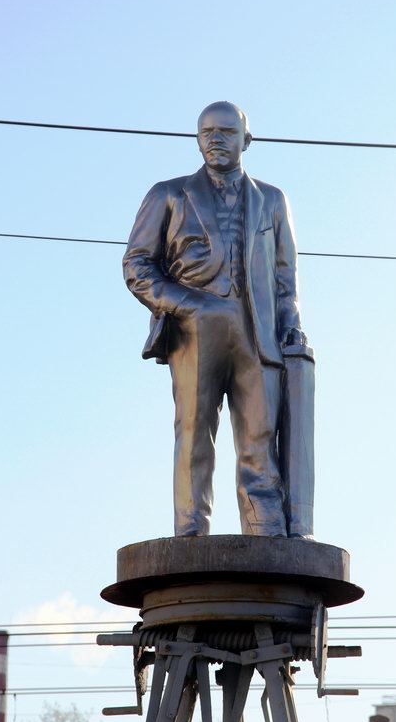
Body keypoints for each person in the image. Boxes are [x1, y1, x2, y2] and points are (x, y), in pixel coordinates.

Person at [123, 101, 306, 537]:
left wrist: (291, 322)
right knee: (193, 432)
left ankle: (266, 534)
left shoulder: (273, 200)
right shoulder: (168, 194)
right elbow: (137, 265)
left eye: (226, 132)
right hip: (193, 329)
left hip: (257, 331)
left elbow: (286, 275)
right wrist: (186, 303)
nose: (216, 141)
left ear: (247, 139)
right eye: (207, 133)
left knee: (260, 439)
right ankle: (190, 533)